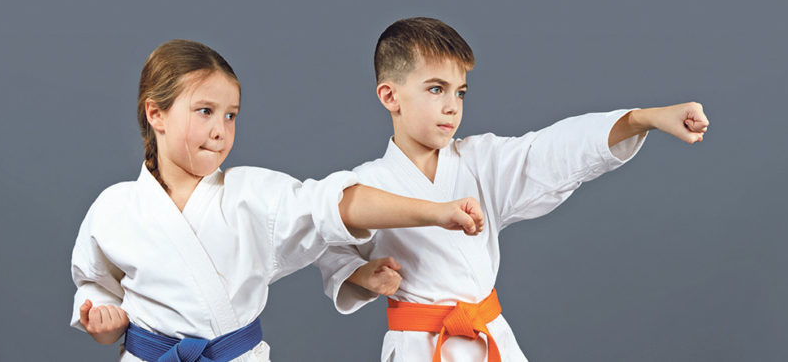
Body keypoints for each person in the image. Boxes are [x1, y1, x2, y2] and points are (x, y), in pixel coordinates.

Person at [314, 17, 709, 362]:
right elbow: (329, 246)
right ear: (390, 96)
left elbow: (552, 151)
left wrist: (644, 119)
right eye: (436, 89)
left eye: (460, 91)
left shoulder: (481, 161)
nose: (453, 105)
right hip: (418, 346)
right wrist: (362, 275)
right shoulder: (364, 186)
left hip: (490, 338)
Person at [70, 39, 485, 362]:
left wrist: (435, 212)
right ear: (155, 114)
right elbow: (97, 287)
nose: (220, 130)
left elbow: (337, 205)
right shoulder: (114, 208)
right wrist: (103, 319)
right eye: (204, 111)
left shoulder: (251, 195)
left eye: (230, 115)